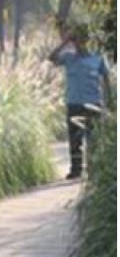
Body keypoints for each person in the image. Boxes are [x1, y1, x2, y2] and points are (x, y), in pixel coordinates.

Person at [47, 21, 112, 179]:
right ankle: (76, 170)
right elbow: (51, 57)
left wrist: (109, 102)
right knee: (75, 140)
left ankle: (94, 170)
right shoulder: (69, 58)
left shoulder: (98, 58)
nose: (78, 44)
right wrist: (65, 41)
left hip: (94, 104)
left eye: (81, 40)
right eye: (76, 40)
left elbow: (106, 80)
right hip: (74, 103)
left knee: (94, 140)